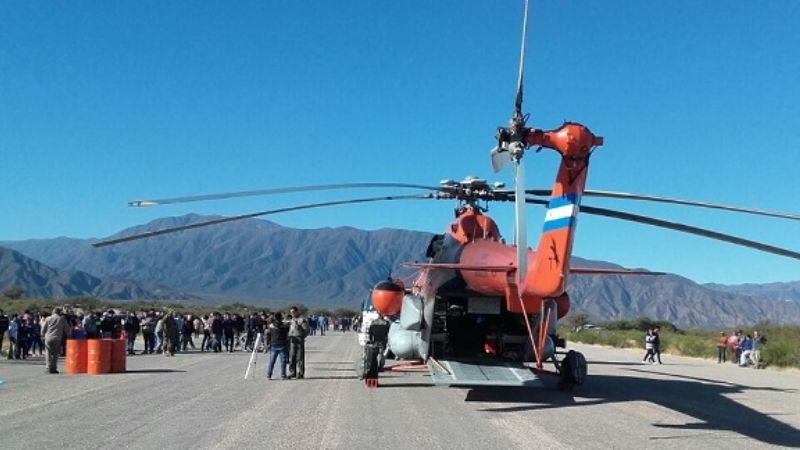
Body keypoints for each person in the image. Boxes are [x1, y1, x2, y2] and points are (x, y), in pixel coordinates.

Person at [41, 307, 71, 374]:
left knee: (48, 353)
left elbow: (43, 328)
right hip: (57, 338)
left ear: (53, 312)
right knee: (55, 353)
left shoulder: (48, 318)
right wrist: (69, 335)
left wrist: (42, 335)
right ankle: (54, 368)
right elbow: (67, 329)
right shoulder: (62, 319)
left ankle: (48, 368)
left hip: (48, 337)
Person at [288, 306, 309, 379]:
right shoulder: (291, 320)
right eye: (291, 312)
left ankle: (300, 373)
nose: (292, 313)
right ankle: (292, 372)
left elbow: (306, 330)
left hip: (299, 339)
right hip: (292, 340)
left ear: (297, 312)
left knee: (300, 357)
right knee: (292, 356)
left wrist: (302, 337)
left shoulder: (301, 320)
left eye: (293, 312)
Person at [265, 312, 289, 380]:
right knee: (283, 361)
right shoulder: (284, 326)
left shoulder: (271, 326)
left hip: (274, 344)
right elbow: (288, 332)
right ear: (281, 318)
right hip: (282, 344)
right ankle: (283, 375)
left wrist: (268, 343)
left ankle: (269, 375)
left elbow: (268, 335)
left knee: (272, 361)